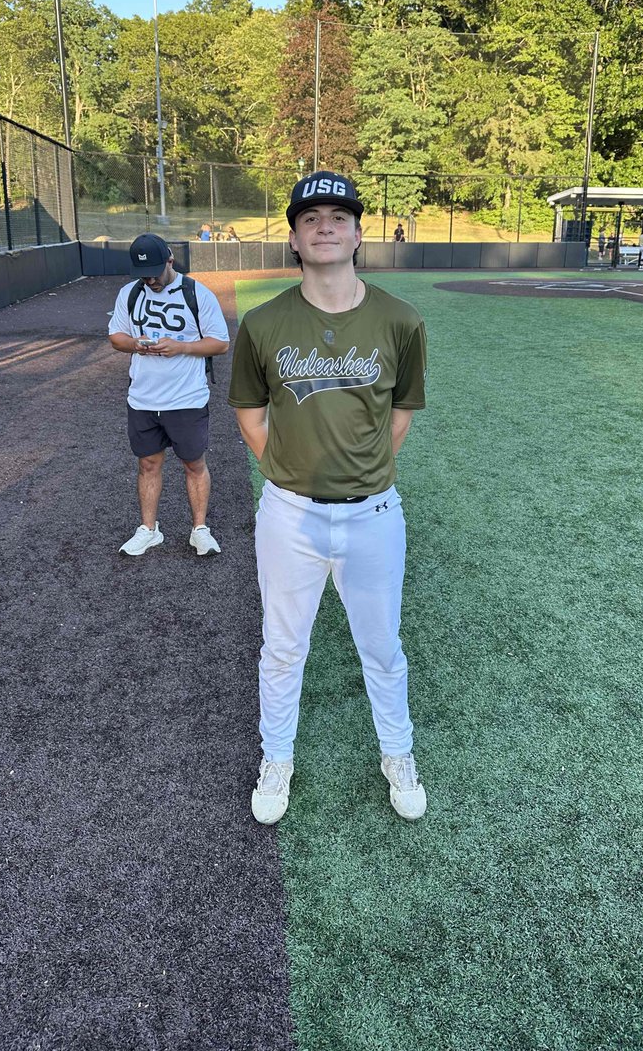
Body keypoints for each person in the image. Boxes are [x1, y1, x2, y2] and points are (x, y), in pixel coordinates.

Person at [228, 170, 428, 826]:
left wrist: (360, 471)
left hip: (373, 516)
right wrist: (289, 473)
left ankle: (397, 755)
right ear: (293, 236)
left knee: (383, 650)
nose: (325, 225)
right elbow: (251, 417)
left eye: (338, 216)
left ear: (358, 232)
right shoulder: (263, 323)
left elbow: (399, 416)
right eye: (310, 217)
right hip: (289, 517)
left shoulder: (400, 320)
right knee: (283, 649)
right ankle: (277, 759)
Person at [108, 233, 230, 557]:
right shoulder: (130, 294)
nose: (150, 280)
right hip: (143, 398)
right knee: (148, 464)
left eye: (155, 273)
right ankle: (149, 530)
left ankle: (200, 530)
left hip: (186, 398)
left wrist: (182, 347)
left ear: (170, 262)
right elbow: (116, 337)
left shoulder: (196, 294)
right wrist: (137, 344)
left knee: (194, 464)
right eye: (143, 275)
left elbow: (220, 342)